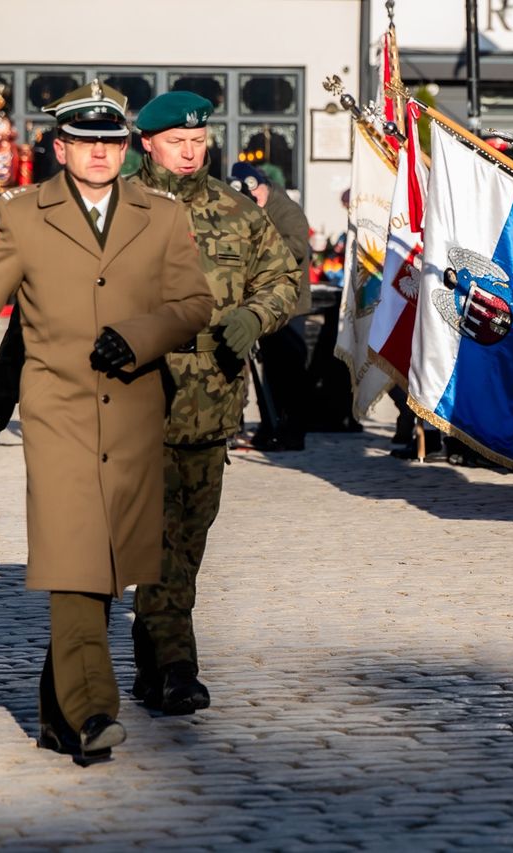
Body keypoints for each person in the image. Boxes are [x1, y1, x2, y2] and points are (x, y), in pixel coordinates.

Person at [0, 80, 213, 763]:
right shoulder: (20, 216)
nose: (99, 154)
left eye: (111, 142)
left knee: (104, 567)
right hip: (57, 415)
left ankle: (54, 713)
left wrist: (142, 334)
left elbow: (194, 304)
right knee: (73, 555)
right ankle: (94, 708)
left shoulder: (162, 217)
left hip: (134, 413)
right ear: (60, 146)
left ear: (126, 148)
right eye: (86, 142)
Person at [129, 91, 300, 715]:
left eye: (199, 141)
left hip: (212, 402)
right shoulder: (122, 208)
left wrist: (258, 315)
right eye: (177, 141)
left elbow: (284, 277)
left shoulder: (236, 211)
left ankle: (152, 656)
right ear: (146, 142)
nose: (190, 151)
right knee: (157, 538)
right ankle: (177, 666)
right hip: (136, 399)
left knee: (189, 540)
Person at [230, 162, 313, 452]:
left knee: (289, 372)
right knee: (271, 373)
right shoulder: (253, 210)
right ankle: (271, 426)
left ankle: (291, 431)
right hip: (265, 303)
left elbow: (298, 247)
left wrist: (260, 255)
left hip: (289, 306)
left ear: (260, 185)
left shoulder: (286, 210)